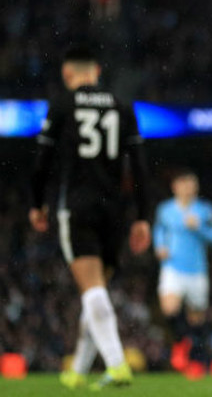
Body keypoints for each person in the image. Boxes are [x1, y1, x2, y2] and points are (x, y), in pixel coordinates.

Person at [25, 45, 153, 390]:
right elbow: (139, 166)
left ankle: (116, 364)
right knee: (95, 291)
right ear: (96, 71)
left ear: (69, 76)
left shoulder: (63, 104)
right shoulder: (121, 105)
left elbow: (42, 161)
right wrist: (143, 216)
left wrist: (37, 203)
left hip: (77, 206)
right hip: (114, 209)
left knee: (92, 289)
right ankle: (78, 371)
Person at [153, 168, 212, 379]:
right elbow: (159, 231)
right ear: (175, 186)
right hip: (172, 268)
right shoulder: (165, 210)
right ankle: (180, 343)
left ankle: (195, 361)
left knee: (197, 320)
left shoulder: (205, 210)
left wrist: (199, 227)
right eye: (183, 183)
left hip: (197, 271)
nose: (187, 187)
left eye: (191, 183)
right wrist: (159, 246)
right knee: (169, 309)